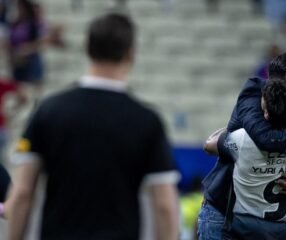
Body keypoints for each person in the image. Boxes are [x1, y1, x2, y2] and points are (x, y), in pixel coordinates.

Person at [5, 13, 180, 240]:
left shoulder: (48, 110)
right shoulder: (147, 121)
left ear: (87, 48)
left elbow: (22, 192)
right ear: (131, 54)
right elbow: (164, 206)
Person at [197, 53, 286, 240]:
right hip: (225, 207)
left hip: (266, 221)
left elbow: (211, 144)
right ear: (274, 84)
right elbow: (265, 139)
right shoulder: (253, 97)